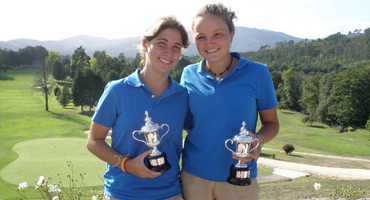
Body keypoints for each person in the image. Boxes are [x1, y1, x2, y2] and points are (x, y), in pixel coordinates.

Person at [180, 3, 279, 200]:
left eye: (217, 34)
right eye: (201, 37)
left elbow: (272, 123)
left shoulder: (258, 73)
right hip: (194, 177)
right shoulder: (188, 74)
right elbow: (186, 123)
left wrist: (257, 141)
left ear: (231, 34)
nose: (209, 43)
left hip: (240, 178)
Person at [87, 16, 189, 200]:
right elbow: (94, 141)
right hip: (122, 193)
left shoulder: (183, 96)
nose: (169, 52)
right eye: (162, 43)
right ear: (145, 44)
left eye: (176, 47)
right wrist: (127, 164)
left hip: (169, 193)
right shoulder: (117, 90)